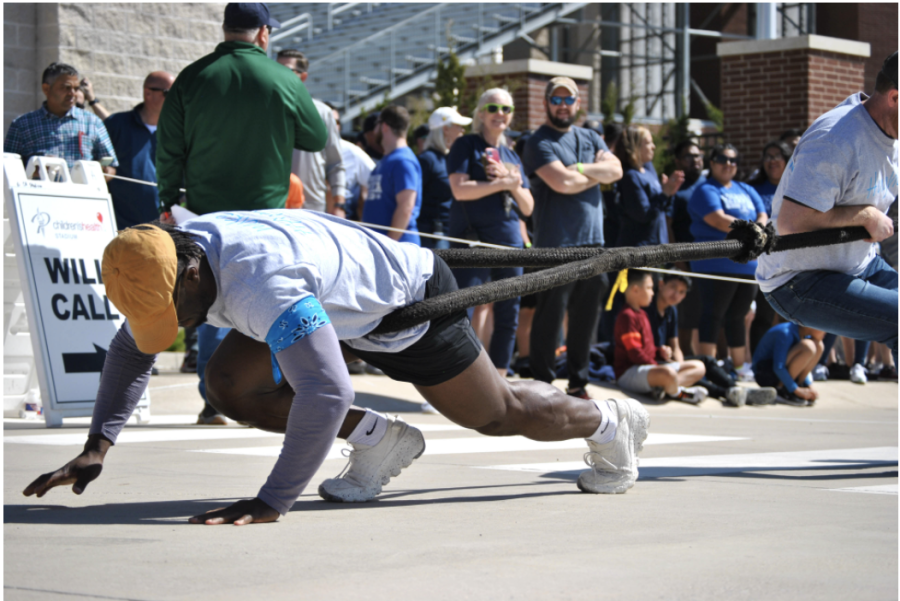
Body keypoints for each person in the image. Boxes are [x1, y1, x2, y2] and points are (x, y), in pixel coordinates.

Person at [22, 211, 653, 524]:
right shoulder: (172, 251)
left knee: (497, 415)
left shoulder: (260, 287)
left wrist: (272, 501)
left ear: (190, 273)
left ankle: (608, 421)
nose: (176, 326)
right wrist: (98, 444)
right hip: (333, 304)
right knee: (227, 384)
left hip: (402, 305)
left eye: (175, 312)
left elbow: (325, 390)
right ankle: (383, 443)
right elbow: (132, 349)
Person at [156, 2, 328, 425]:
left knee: (213, 304)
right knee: (273, 299)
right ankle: (263, 390)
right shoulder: (282, 78)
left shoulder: (194, 76)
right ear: (264, 34)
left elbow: (168, 149)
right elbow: (316, 136)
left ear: (227, 29)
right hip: (266, 217)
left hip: (202, 214)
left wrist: (166, 199)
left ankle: (212, 401)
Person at [757, 50, 898, 353]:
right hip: (798, 280)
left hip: (857, 264)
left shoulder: (892, 139)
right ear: (895, 97)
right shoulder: (837, 137)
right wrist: (866, 215)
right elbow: (791, 223)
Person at [522, 76, 622, 399]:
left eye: (569, 100)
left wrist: (577, 169)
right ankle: (542, 384)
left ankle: (578, 383)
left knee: (586, 316)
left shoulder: (591, 136)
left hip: (593, 242)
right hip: (555, 244)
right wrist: (593, 172)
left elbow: (617, 170)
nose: (562, 106)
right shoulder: (539, 141)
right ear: (546, 103)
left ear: (578, 104)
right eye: (557, 99)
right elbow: (561, 183)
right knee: (550, 315)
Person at [447, 88, 534, 377]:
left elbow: (529, 206)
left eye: (506, 109)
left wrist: (513, 184)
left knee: (508, 313)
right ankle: (454, 379)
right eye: (494, 108)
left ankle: (498, 380)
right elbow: (459, 189)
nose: (501, 114)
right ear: (481, 113)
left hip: (509, 241)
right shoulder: (466, 145)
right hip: (471, 240)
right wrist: (503, 183)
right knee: (461, 311)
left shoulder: (511, 154)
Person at [688, 144, 767, 378]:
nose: (728, 164)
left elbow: (763, 213)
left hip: (749, 265)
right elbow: (717, 219)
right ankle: (707, 367)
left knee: (738, 316)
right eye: (722, 159)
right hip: (715, 263)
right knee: (713, 314)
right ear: (711, 163)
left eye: (733, 160)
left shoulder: (746, 188)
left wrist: (757, 227)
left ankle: (740, 367)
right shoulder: (705, 190)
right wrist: (752, 228)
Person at [648, 272, 777, 407]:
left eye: (681, 292)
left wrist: (681, 364)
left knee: (706, 361)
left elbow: (675, 347)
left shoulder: (671, 311)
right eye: (673, 288)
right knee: (696, 372)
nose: (676, 294)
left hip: (666, 362)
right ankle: (733, 392)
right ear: (661, 284)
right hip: (654, 362)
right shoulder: (647, 308)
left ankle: (734, 389)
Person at [5, 62, 118, 177]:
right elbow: (6, 169)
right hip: (39, 194)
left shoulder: (93, 122)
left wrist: (100, 173)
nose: (72, 94)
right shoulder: (22, 125)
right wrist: (35, 171)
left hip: (82, 194)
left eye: (76, 88)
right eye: (66, 88)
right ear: (46, 89)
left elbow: (110, 166)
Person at [612, 270, 708, 403]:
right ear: (635, 289)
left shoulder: (643, 314)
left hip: (650, 367)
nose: (652, 292)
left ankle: (665, 388)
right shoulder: (627, 316)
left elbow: (648, 349)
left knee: (699, 367)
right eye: (649, 288)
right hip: (629, 372)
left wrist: (659, 352)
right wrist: (657, 365)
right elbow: (635, 353)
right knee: (667, 373)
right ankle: (679, 393)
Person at [276, 49, 347, 217]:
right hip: (274, 206)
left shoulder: (322, 112)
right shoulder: (265, 109)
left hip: (311, 209)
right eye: (275, 68)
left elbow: (335, 163)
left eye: (285, 70)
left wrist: (339, 205)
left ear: (303, 76)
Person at [103, 71, 176, 229]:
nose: (175, 98)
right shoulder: (116, 124)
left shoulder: (178, 131)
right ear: (148, 93)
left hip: (164, 230)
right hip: (119, 228)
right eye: (169, 93)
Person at [613, 125, 684, 247]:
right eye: (648, 143)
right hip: (638, 251)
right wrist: (665, 193)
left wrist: (669, 193)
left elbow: (660, 208)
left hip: (655, 246)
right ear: (634, 147)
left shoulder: (647, 171)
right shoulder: (630, 177)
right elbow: (644, 214)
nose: (653, 147)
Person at [361, 105, 421, 244]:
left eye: (376, 125)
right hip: (383, 248)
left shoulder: (403, 160)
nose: (374, 131)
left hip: (397, 250)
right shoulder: (388, 160)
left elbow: (406, 207)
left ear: (384, 126)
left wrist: (388, 246)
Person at [416, 106, 470, 249]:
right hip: (433, 237)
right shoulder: (427, 160)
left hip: (452, 233)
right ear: (446, 128)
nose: (462, 131)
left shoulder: (450, 159)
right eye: (459, 126)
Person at [752, 322, 825, 406]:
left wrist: (809, 386)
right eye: (823, 327)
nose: (826, 331)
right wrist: (796, 389)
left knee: (819, 346)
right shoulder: (786, 332)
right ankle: (783, 390)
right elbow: (778, 367)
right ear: (810, 325)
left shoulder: (802, 332)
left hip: (778, 372)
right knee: (809, 347)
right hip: (765, 374)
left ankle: (798, 385)